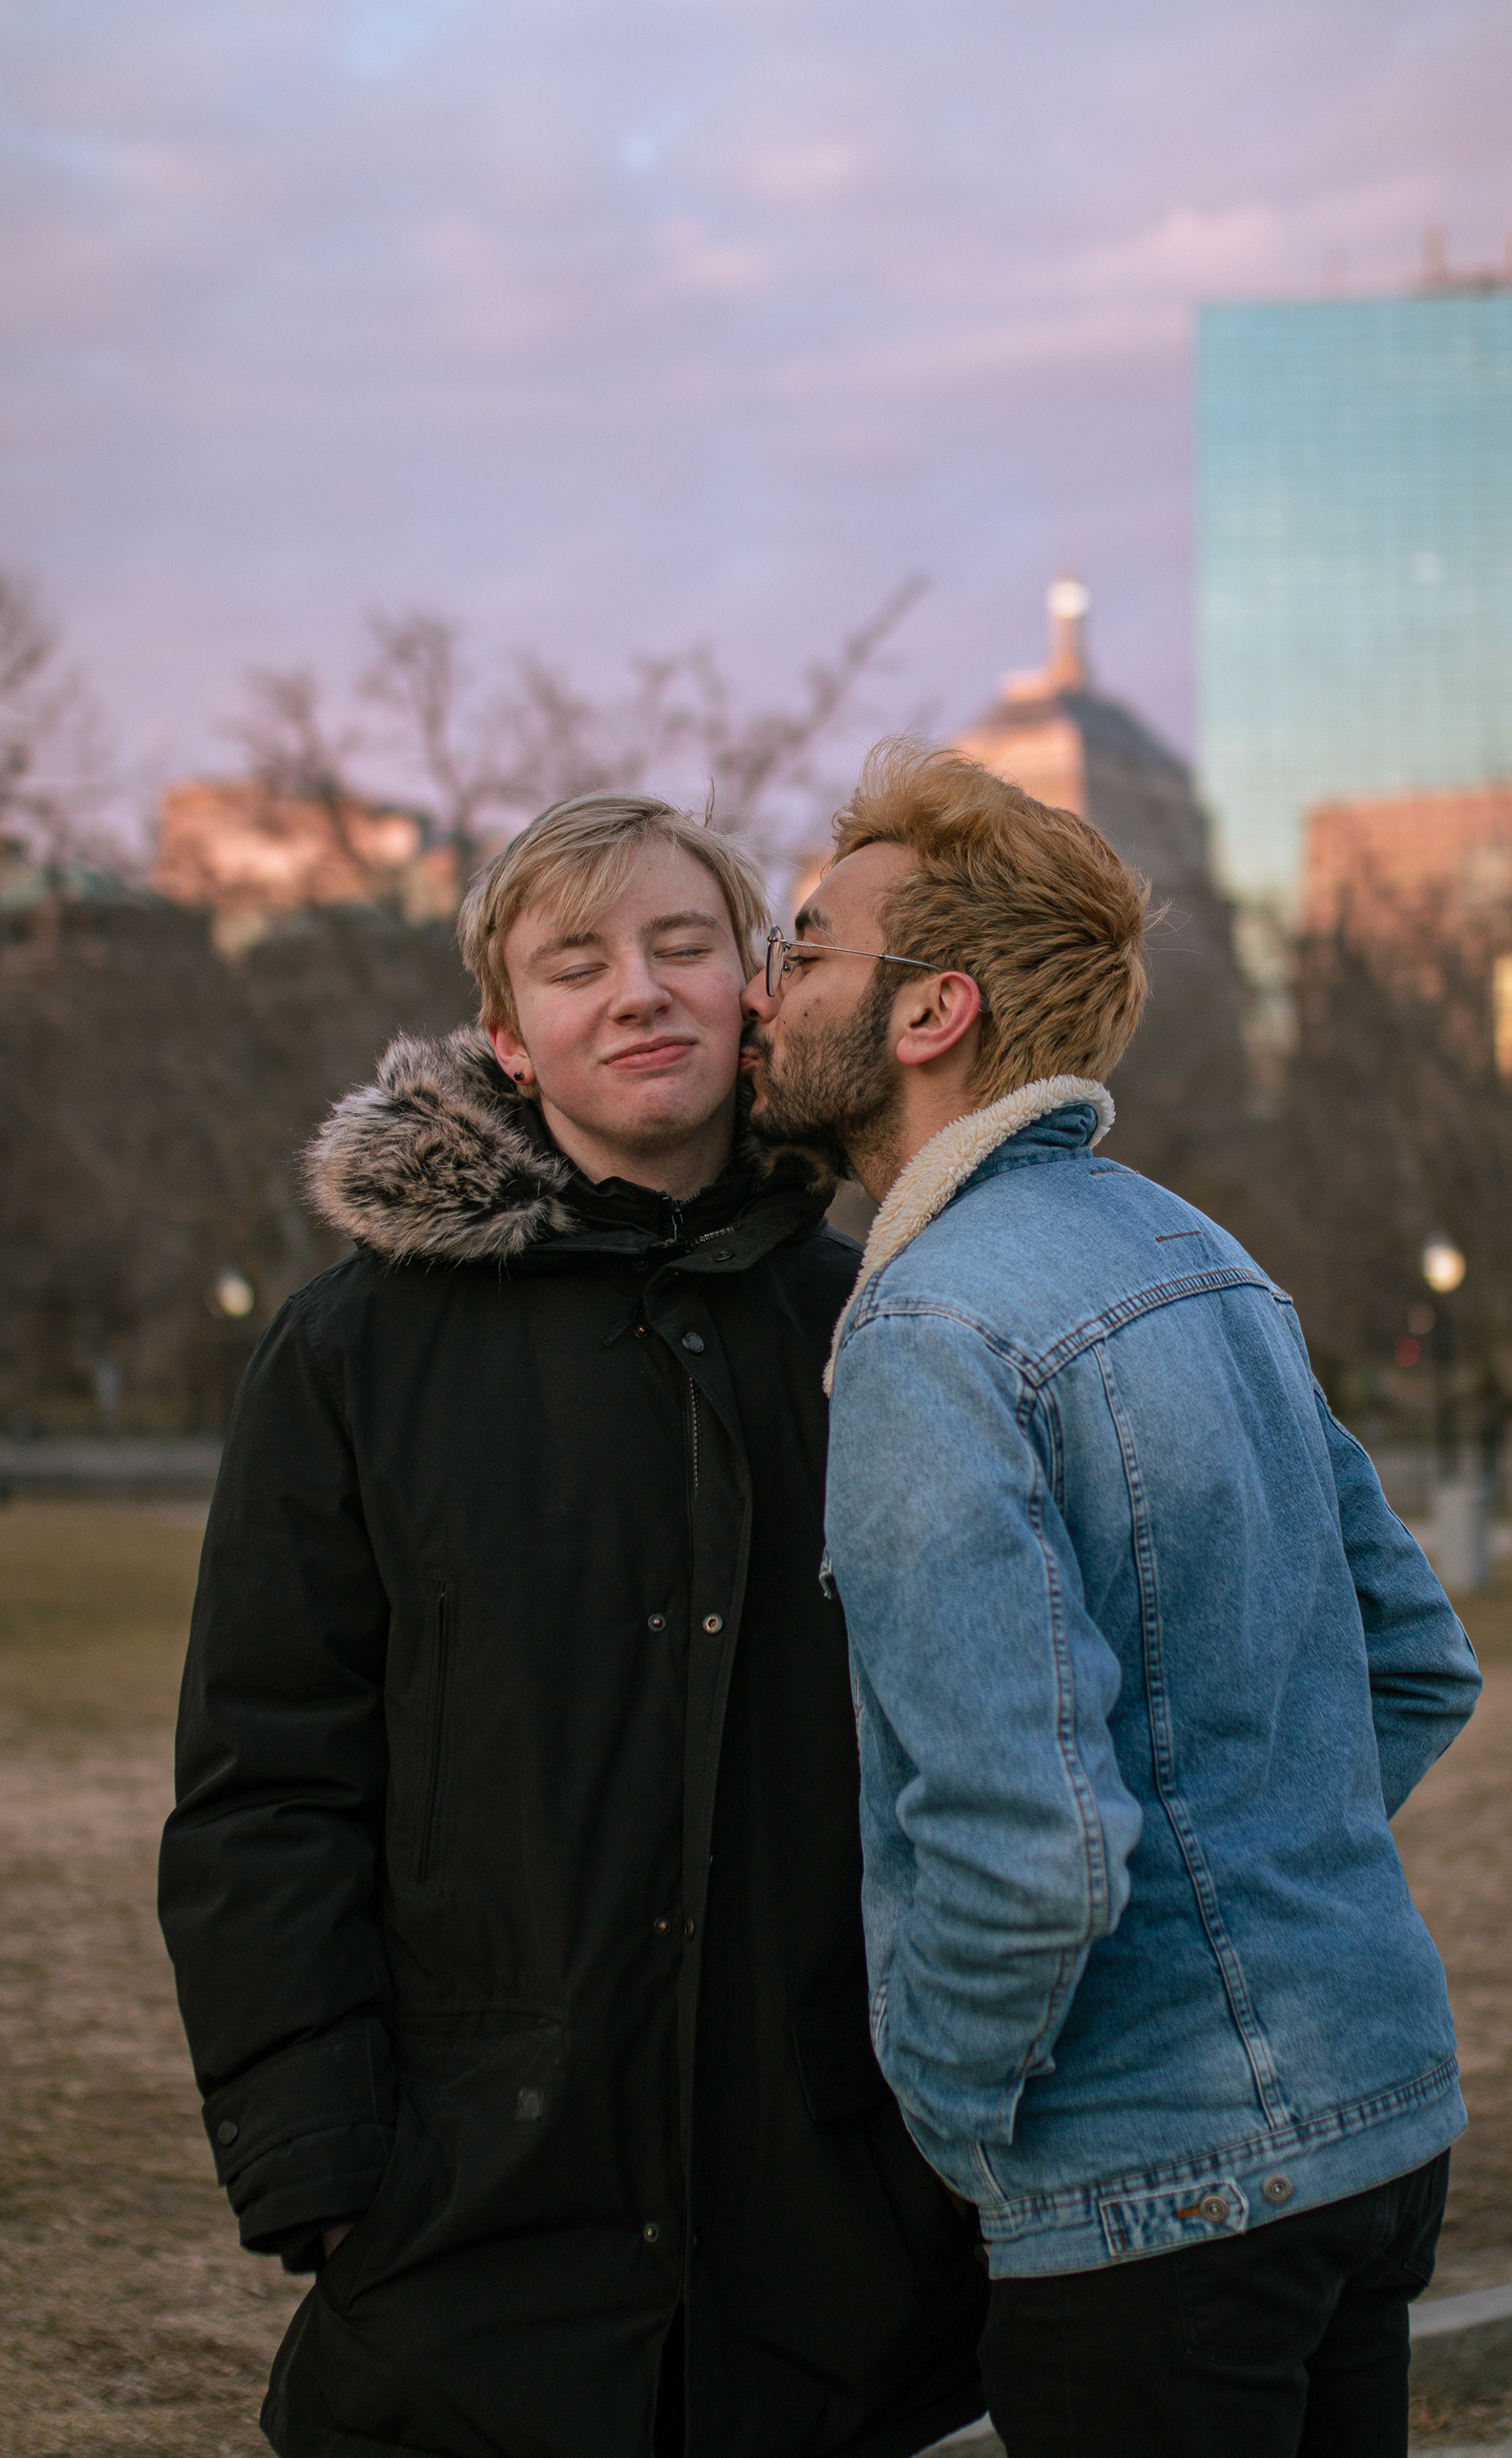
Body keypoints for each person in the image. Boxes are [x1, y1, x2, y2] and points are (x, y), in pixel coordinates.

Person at [158, 792, 986, 2458]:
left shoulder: (890, 1320)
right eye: (577, 962)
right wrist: (326, 2176)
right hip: (469, 2234)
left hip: (829, 2248)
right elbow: (267, 1793)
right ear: (506, 1037)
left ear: (757, 990)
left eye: (686, 945)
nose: (640, 991)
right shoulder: (353, 1353)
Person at [739, 741, 1482, 2458]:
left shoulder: (928, 1334)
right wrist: (1248, 1879)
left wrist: (957, 2113)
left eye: (807, 947)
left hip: (1155, 2193)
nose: (765, 994)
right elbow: (1418, 1665)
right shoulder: (1198, 1251)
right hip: (1379, 2123)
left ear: (931, 1017)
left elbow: (1026, 1843)